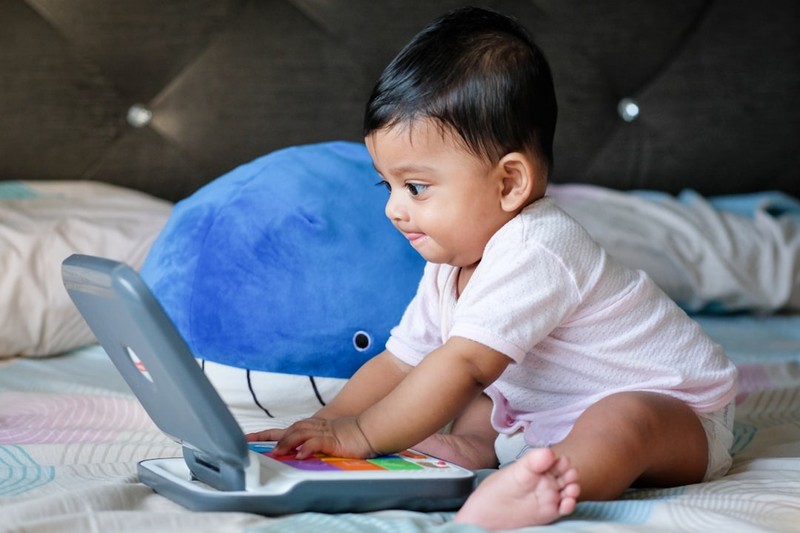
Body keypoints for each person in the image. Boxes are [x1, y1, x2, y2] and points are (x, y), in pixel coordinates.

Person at [246, 7, 738, 530]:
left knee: (618, 418)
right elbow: (400, 363)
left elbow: (461, 365)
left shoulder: (539, 246)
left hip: (679, 415)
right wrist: (326, 423)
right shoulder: (449, 263)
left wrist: (362, 435)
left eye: (414, 187)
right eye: (384, 185)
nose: (393, 207)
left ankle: (543, 486)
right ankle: (473, 448)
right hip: (549, 412)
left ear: (509, 184)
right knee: (483, 397)